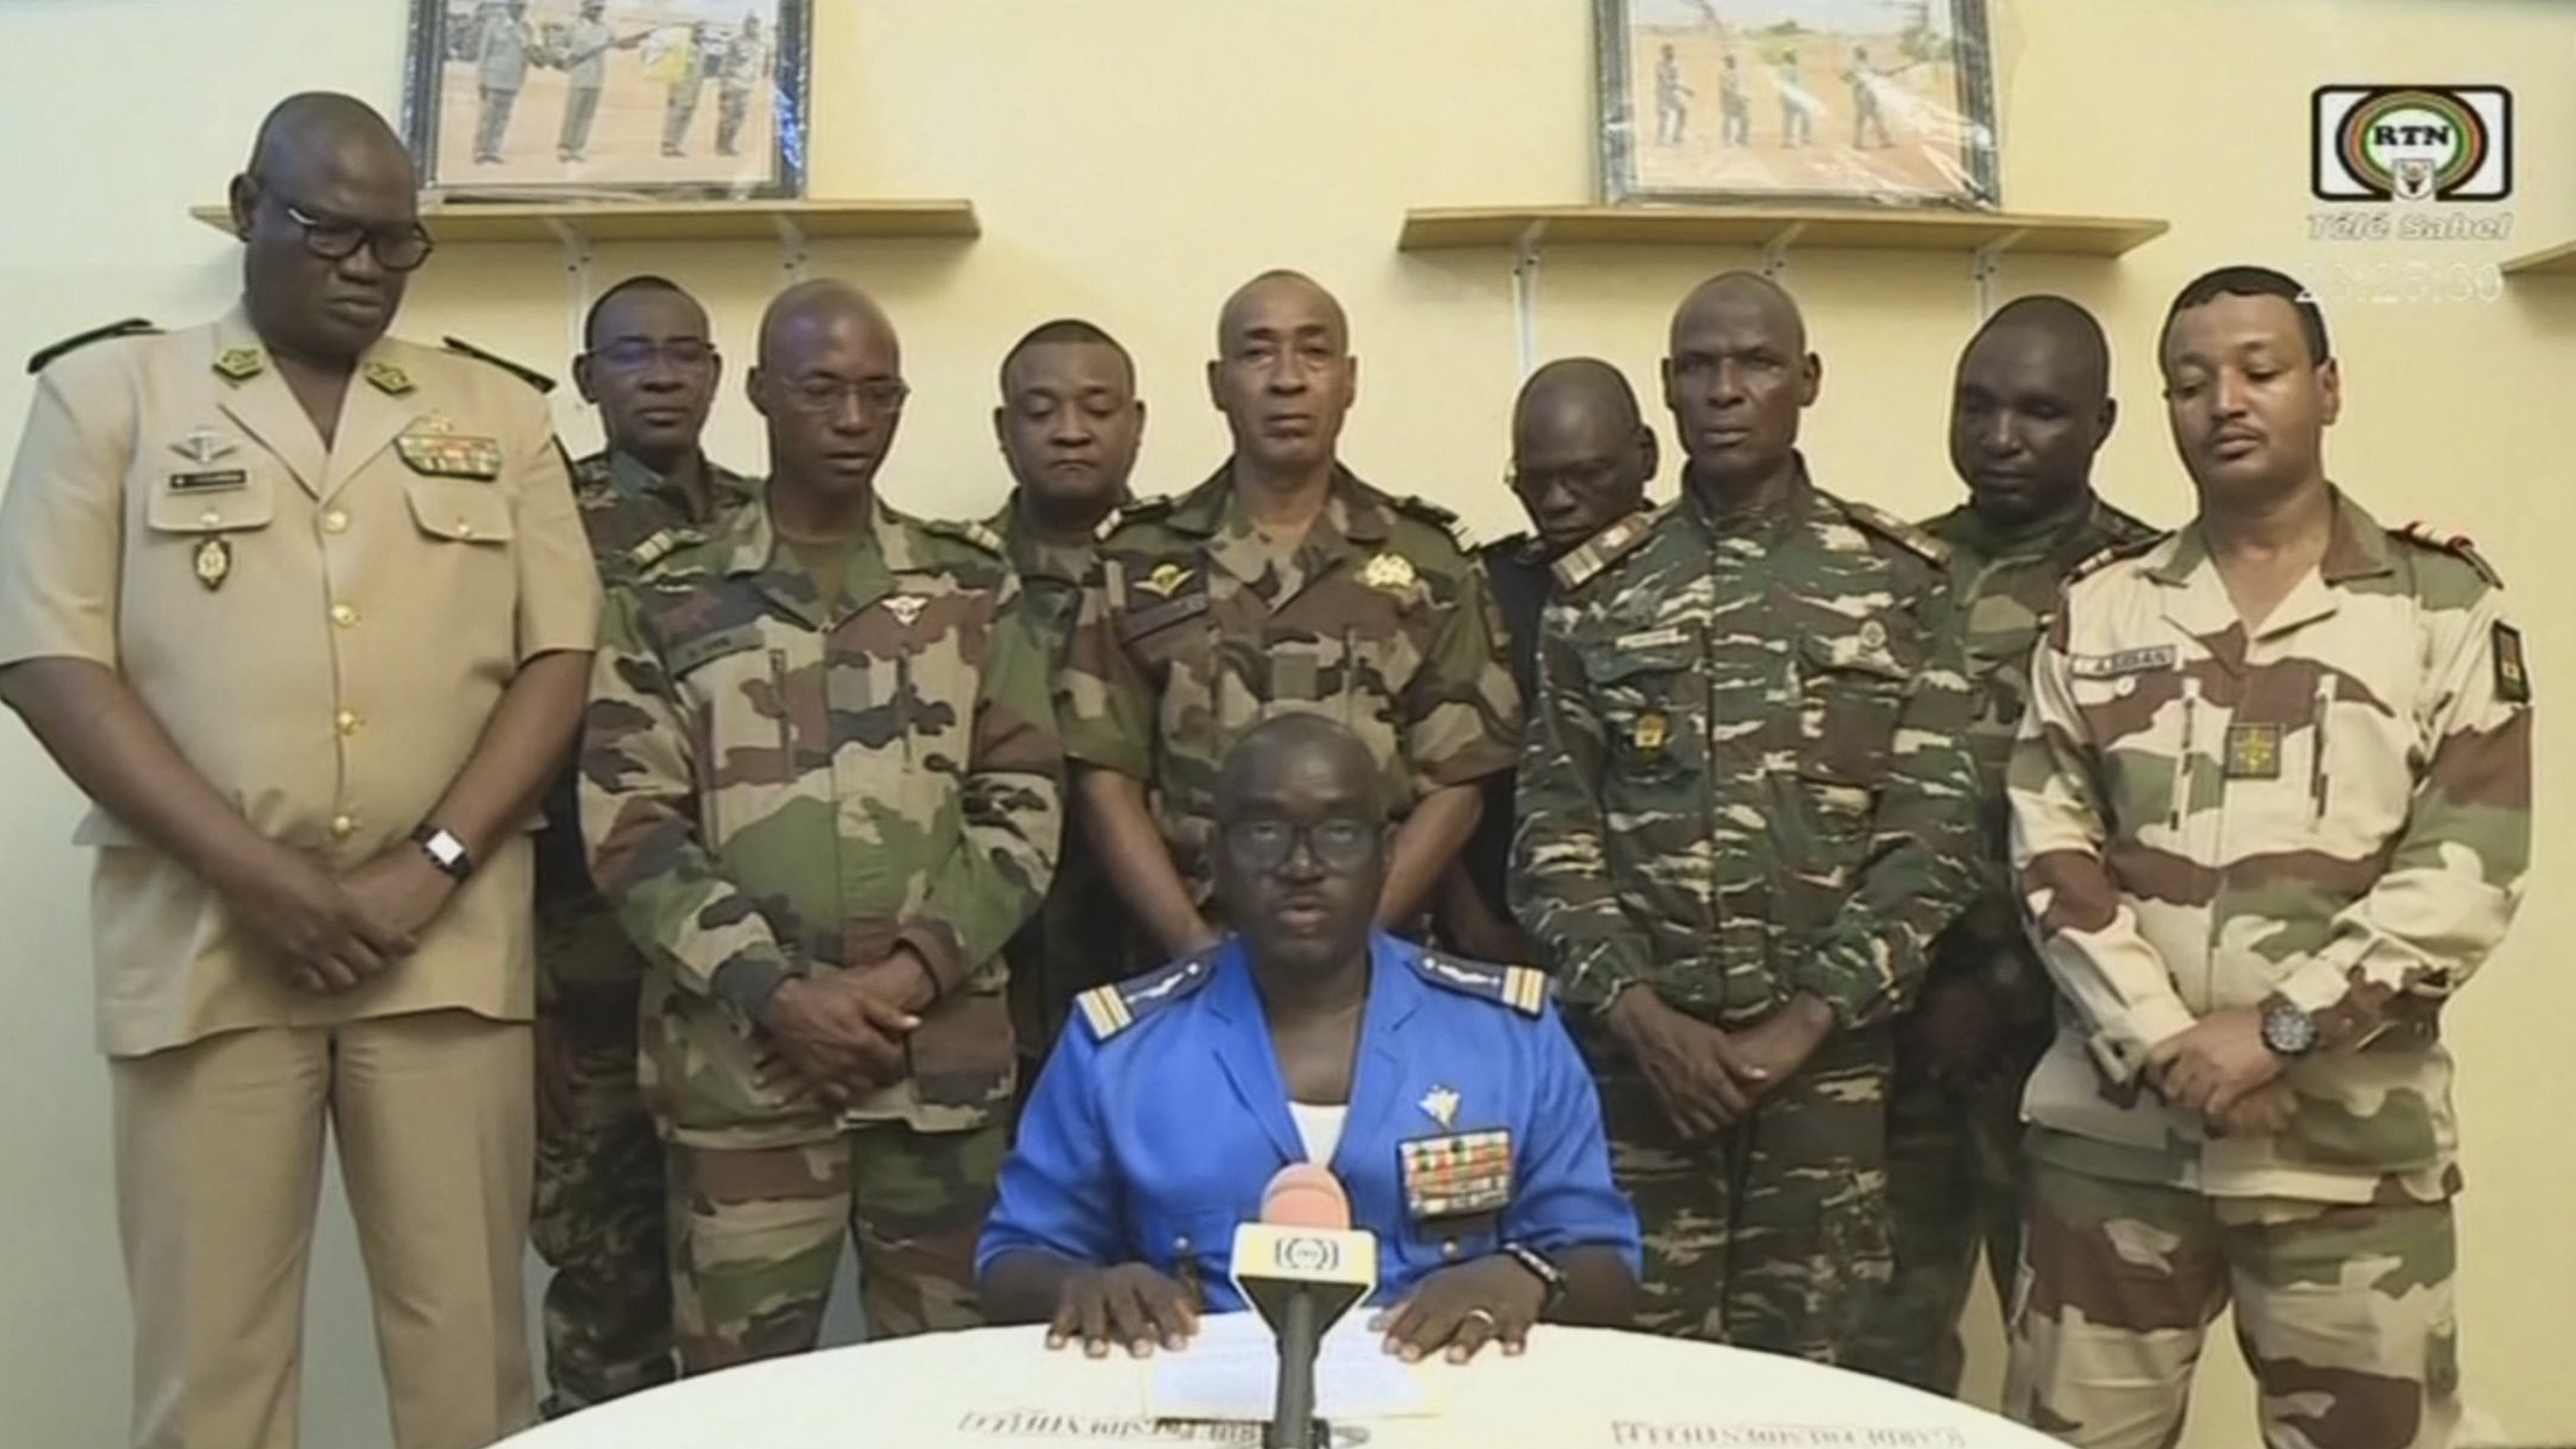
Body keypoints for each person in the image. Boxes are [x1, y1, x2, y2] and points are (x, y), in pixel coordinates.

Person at [0, 92, 598, 1448]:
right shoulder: (108, 395)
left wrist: (429, 864)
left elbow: (559, 659)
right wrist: (261, 876)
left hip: (440, 948)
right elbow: (46, 658)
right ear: (249, 205)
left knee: (470, 1364)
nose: (366, 268)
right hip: (207, 942)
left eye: (398, 244)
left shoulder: (494, 413)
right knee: (211, 1373)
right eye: (332, 231)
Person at [2004, 267, 2529, 1449]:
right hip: (2114, 1148)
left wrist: (2276, 1028)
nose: (2222, 402)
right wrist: (2160, 1041)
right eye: (2187, 382)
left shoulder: (2438, 610)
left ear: (2325, 388)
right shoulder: (2099, 610)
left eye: (2258, 369)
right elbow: (2049, 851)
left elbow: (2465, 869)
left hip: (2345, 1159)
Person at [581, 279, 1063, 1371]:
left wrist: (904, 980)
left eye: (878, 394)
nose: (853, 421)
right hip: (745, 1077)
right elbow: (631, 824)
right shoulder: (666, 597)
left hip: (934, 1079)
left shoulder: (970, 588)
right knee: (738, 1404)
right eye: (821, 391)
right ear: (757, 394)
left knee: (954, 1394)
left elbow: (1024, 802)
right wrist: (780, 994)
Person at [1513, 271, 1980, 1364]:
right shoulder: (1599, 591)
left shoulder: (1900, 583)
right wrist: (1642, 1019)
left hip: (1832, 1081)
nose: (1727, 390)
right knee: (1622, 1376)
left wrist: (1803, 1024)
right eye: (1699, 368)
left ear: (1806, 381)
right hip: (1640, 1081)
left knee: (1818, 1390)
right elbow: (1550, 836)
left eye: (1756, 364)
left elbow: (1935, 832)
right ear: (1666, 393)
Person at [981, 716, 1639, 1360]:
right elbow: (1010, 1261)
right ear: (1217, 857)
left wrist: (1523, 1276)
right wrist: (1082, 1284)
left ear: (1385, 855)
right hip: (1196, 1406)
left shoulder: (1508, 1035)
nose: (1302, 864)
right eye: (1265, 831)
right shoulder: (1118, 1047)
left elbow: (1605, 1261)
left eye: (1340, 832)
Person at [1844, 296, 2159, 1396]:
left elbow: (2155, 838)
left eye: (2039, 411)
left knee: (2072, 1355)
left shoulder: (2150, 594)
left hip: (2070, 1044)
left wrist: (2006, 987)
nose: (2001, 437)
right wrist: (1915, 985)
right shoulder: (1894, 575)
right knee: (1878, 1346)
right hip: (1897, 1034)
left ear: (2103, 422)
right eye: (1976, 407)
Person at [1058, 269, 1520, 974]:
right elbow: (1104, 779)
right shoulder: (1136, 561)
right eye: (1256, 353)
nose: (1286, 380)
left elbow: (1458, 782)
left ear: (1349, 380)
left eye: (1312, 353)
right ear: (1217, 383)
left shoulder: (1429, 563)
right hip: (1186, 962)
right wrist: (1191, 947)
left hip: (1379, 963)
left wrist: (1353, 941)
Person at [529, 275, 756, 1418]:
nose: (661, 376)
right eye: (631, 355)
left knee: (743, 1295)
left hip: (746, 972)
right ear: (587, 379)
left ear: (719, 374)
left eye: (684, 353)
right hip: (593, 977)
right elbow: (491, 743)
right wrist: (522, 990)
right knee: (608, 1287)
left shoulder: (774, 517)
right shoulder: (537, 517)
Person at [1437, 358, 1656, 967]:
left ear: (1645, 455)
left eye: (1587, 474)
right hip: (1510, 946)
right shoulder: (1488, 591)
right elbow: (1431, 777)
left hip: (1675, 952)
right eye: (1536, 481)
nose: (1558, 501)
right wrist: (1476, 929)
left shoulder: (1709, 581)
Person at [985, 319, 1149, 1074]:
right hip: (994, 970)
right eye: (1041, 410)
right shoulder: (949, 583)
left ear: (1136, 425)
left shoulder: (1194, 572)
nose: (1071, 433)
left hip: (1159, 948)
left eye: (1097, 408)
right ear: (1003, 430)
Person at [556, 1, 642, 166]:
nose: (598, 12)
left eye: (601, 9)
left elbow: (618, 44)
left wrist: (637, 41)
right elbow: (559, 45)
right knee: (573, 113)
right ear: (585, 8)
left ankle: (578, 147)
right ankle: (565, 146)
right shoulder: (574, 27)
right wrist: (570, 55)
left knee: (587, 116)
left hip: (597, 77)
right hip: (580, 75)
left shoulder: (606, 28)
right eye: (595, 8)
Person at [474, 0, 535, 165]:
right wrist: (482, 79)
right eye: (517, 6)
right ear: (509, 7)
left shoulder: (525, 29)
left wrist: (522, 79)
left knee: (503, 118)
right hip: (494, 78)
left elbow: (526, 57)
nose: (520, 10)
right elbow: (484, 53)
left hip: (512, 79)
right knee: (488, 117)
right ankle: (481, 150)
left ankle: (494, 150)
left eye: (523, 7)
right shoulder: (495, 25)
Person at [714, 14, 769, 159]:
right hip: (733, 83)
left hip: (747, 85)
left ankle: (730, 143)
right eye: (751, 25)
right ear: (746, 26)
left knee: (740, 116)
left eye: (756, 25)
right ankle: (721, 145)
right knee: (728, 116)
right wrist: (724, 84)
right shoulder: (736, 43)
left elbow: (761, 66)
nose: (754, 28)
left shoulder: (760, 45)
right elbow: (725, 64)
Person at [658, 21, 713, 158]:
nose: (701, 35)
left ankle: (677, 144)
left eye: (703, 32)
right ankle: (668, 144)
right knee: (675, 116)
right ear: (692, 32)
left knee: (687, 117)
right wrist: (672, 91)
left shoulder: (703, 50)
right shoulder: (682, 48)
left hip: (694, 90)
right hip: (680, 88)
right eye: (699, 31)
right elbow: (672, 70)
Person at [1844, 47, 1892, 149]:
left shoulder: (1869, 65)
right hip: (1860, 93)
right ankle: (1857, 142)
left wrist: (1890, 73)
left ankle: (1883, 141)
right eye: (1862, 52)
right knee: (1863, 117)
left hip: (1870, 92)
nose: (1864, 54)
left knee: (1875, 115)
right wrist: (1855, 82)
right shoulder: (1854, 66)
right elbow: (1846, 78)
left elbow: (1882, 73)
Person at [1655, 43, 1692, 146]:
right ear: (1663, 53)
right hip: (1664, 93)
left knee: (1683, 111)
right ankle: (1660, 139)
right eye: (1668, 51)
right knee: (1664, 116)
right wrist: (1685, 89)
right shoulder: (1660, 66)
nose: (1671, 53)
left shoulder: (1675, 64)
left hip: (1674, 93)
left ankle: (1678, 136)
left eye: (1672, 51)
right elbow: (1667, 82)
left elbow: (1677, 79)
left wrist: (1682, 89)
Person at [1776, 49, 1813, 147]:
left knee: (1789, 119)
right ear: (1790, 58)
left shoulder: (1784, 69)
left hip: (1789, 96)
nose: (1796, 58)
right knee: (1804, 115)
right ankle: (1804, 137)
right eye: (1793, 56)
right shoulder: (1790, 69)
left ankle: (1788, 139)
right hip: (1793, 97)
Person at [1718, 54, 1749, 148]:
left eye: (1734, 61)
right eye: (1731, 61)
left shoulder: (1737, 72)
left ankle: (1741, 138)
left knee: (1746, 118)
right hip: (1728, 101)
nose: (1734, 62)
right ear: (1727, 62)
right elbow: (1727, 89)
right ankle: (1726, 141)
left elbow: (1740, 86)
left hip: (1738, 100)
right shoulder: (1723, 74)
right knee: (1727, 121)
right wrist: (1740, 96)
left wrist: (1744, 96)